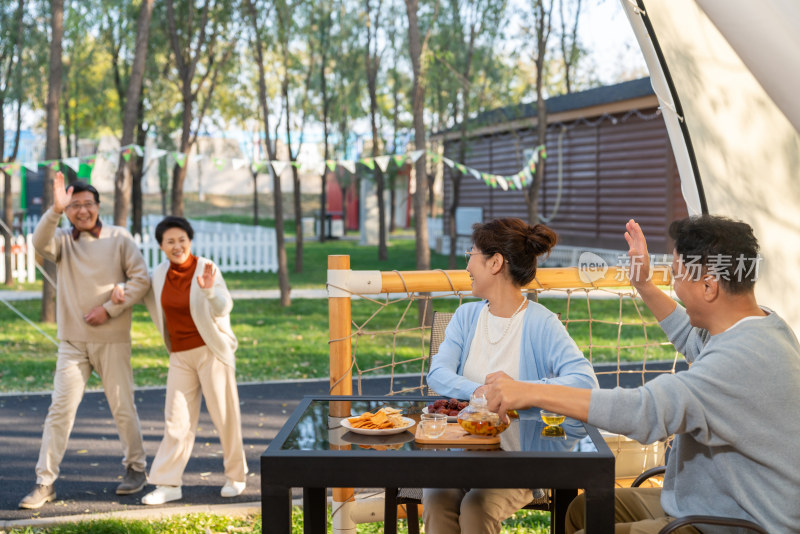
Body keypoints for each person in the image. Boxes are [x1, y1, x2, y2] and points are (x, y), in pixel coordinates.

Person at [485, 216, 800, 533]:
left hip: (734, 524)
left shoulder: (739, 362)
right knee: (582, 509)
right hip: (706, 503)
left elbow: (645, 412)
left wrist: (529, 391)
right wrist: (644, 284)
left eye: (677, 275)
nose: (674, 286)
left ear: (708, 285)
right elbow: (694, 340)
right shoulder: (762, 326)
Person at [423, 217, 598, 534]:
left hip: (523, 456)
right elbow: (437, 373)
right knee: (436, 497)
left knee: (477, 507)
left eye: (471, 254)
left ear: (495, 263)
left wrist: (521, 391)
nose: (467, 265)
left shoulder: (541, 323)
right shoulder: (466, 316)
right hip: (466, 452)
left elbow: (585, 383)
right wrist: (480, 391)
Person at [19, 172, 150, 509]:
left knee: (123, 408)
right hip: (73, 343)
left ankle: (136, 469)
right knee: (59, 410)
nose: (81, 210)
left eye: (86, 204)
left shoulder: (120, 239)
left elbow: (141, 280)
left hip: (112, 340)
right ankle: (44, 483)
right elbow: (37, 244)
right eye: (74, 205)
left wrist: (108, 310)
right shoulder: (62, 239)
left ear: (97, 206)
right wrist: (55, 210)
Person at [132, 216, 247, 505]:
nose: (177, 246)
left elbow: (223, 308)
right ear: (161, 246)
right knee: (176, 420)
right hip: (180, 355)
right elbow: (139, 292)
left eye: (182, 240)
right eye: (170, 241)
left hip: (212, 352)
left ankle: (236, 476)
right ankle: (168, 483)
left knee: (225, 417)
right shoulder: (158, 274)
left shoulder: (207, 268)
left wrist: (209, 291)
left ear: (190, 241)